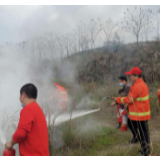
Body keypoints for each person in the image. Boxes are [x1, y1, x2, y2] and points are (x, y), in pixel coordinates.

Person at [115, 67, 151, 156]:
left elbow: (129, 99)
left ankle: (146, 151)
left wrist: (118, 100)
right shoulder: (139, 84)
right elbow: (133, 99)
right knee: (141, 131)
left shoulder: (138, 86)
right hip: (139, 114)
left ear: (136, 76)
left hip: (140, 115)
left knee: (143, 133)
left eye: (131, 75)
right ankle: (143, 146)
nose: (130, 77)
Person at [5, 84, 50, 156]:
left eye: (19, 96)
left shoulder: (27, 109)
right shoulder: (38, 109)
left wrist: (10, 143)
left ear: (23, 95)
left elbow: (20, 134)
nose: (19, 98)